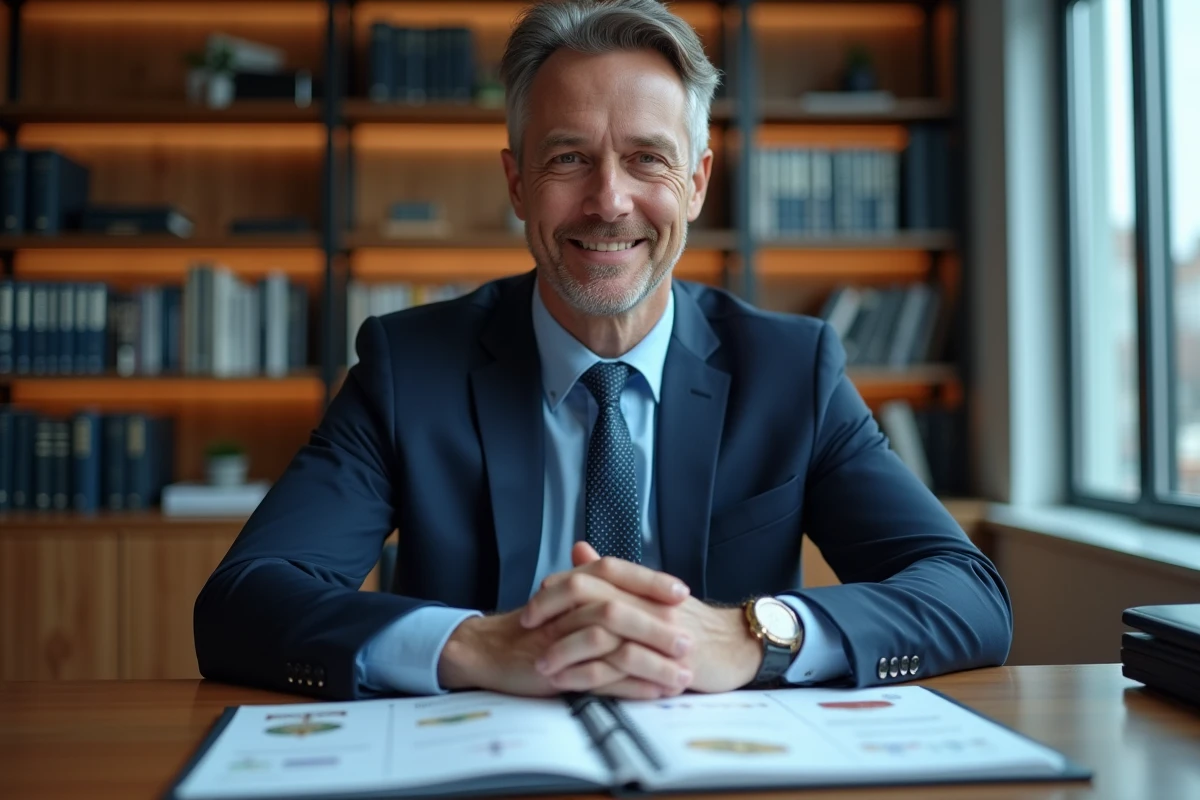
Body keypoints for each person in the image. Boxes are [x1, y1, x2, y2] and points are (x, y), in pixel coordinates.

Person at [194, 0, 1012, 702]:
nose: (609, 200)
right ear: (517, 184)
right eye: (569, 159)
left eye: (647, 158)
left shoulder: (789, 371)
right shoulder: (412, 369)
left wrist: (753, 633)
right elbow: (241, 602)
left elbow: (966, 594)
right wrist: (475, 647)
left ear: (696, 182)